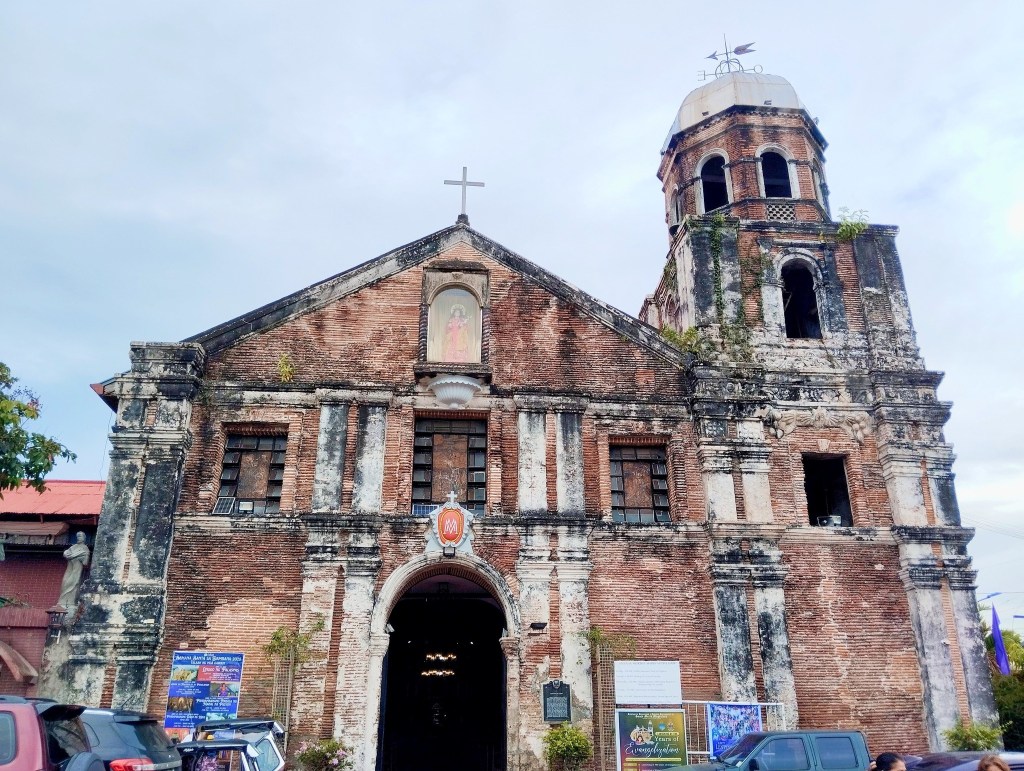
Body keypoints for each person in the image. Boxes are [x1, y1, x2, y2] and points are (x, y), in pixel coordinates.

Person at [57, 531, 90, 610]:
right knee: (64, 584)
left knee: (74, 586)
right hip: (69, 570)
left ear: (84, 538)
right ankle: (62, 602)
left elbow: (85, 563)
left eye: (80, 536)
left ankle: (71, 603)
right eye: (78, 536)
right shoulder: (73, 547)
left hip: (77, 572)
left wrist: (82, 556)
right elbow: (66, 553)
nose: (79, 538)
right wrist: (65, 553)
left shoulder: (85, 548)